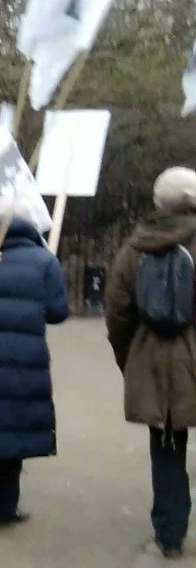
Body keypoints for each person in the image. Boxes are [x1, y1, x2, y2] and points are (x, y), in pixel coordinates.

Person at [0, 196, 69, 528]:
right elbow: (58, 312)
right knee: (15, 425)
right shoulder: (43, 261)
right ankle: (5, 509)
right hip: (22, 355)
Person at [105, 166, 196, 559]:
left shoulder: (134, 247)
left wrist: (130, 360)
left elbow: (117, 312)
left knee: (167, 447)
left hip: (153, 360)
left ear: (158, 202)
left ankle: (170, 536)